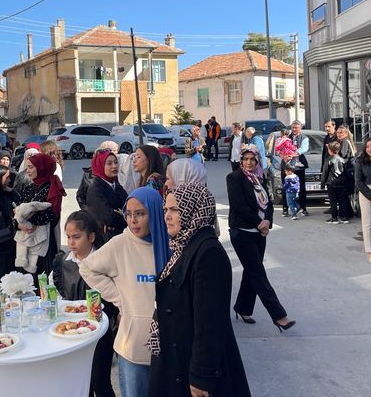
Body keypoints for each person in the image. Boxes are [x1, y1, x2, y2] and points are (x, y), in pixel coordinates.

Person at [150, 182, 249, 397]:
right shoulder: (184, 245)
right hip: (178, 358)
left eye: (175, 209)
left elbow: (210, 323)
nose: (167, 215)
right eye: (166, 209)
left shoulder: (208, 253)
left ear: (193, 209)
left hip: (193, 371)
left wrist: (201, 377)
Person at [82, 187, 171, 397]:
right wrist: (120, 298)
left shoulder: (171, 245)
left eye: (140, 214)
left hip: (169, 345)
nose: (133, 220)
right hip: (133, 346)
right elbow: (87, 268)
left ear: (156, 213)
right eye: (128, 214)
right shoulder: (120, 244)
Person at [227, 148, 296, 330]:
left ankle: (242, 307)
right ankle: (279, 316)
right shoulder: (234, 178)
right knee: (258, 273)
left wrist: (268, 222)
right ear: (241, 161)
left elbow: (269, 204)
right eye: (246, 159)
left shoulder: (259, 178)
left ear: (258, 162)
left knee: (252, 271)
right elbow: (239, 205)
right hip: (241, 232)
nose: (249, 162)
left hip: (259, 233)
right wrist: (260, 223)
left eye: (253, 160)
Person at [53, 211, 117, 397]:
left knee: (100, 381)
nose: (72, 242)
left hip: (100, 332)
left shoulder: (104, 261)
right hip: (73, 331)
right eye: (69, 237)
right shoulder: (63, 263)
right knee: (81, 382)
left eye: (77, 237)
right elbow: (57, 294)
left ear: (91, 237)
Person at [16, 153, 64, 276]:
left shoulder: (52, 187)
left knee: (43, 276)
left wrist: (29, 220)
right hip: (26, 238)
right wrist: (19, 224)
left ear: (42, 167)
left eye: (31, 167)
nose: (28, 171)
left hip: (45, 240)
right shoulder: (29, 187)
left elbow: (52, 215)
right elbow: (17, 210)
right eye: (27, 167)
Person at [85, 150, 128, 239]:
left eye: (116, 162)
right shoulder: (95, 188)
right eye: (109, 163)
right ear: (100, 166)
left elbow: (129, 206)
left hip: (120, 235)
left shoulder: (116, 184)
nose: (114, 166)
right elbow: (109, 218)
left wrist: (123, 214)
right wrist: (125, 216)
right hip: (106, 238)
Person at [76, 141, 119, 208]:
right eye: (114, 151)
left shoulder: (114, 174)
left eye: (117, 152)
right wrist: (87, 211)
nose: (116, 154)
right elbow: (81, 196)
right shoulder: (91, 177)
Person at [323, 141, 352, 224]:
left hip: (331, 183)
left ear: (330, 150)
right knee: (342, 200)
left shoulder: (329, 160)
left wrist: (322, 183)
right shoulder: (342, 160)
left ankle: (334, 218)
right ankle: (344, 217)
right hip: (342, 183)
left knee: (333, 201)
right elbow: (345, 172)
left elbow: (325, 172)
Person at [287, 120, 310, 216]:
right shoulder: (287, 137)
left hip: (299, 166)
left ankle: (303, 207)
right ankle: (290, 207)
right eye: (293, 127)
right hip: (289, 165)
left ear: (300, 128)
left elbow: (304, 148)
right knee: (289, 187)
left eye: (296, 128)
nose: (294, 129)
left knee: (301, 187)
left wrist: (294, 153)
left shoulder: (304, 138)